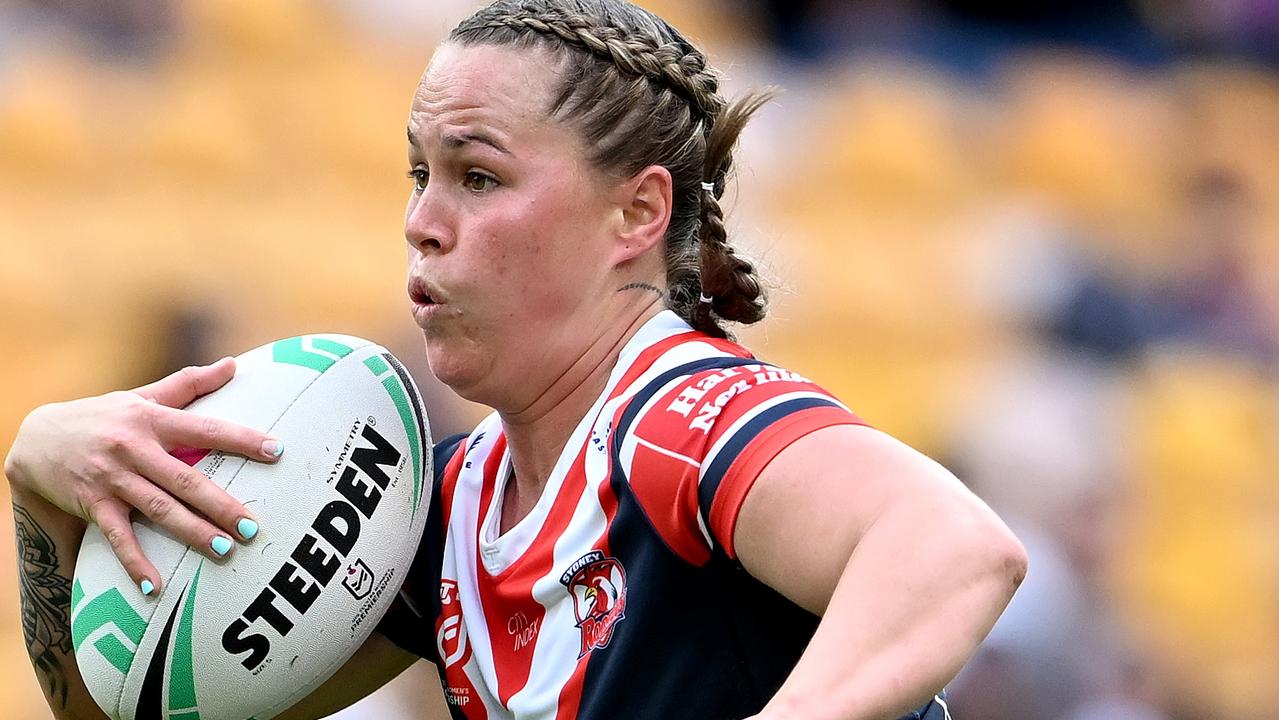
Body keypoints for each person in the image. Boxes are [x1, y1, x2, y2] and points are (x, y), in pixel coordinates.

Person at [4, 1, 1028, 718]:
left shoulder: (675, 417)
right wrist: (41, 488)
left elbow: (954, 549)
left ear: (636, 211)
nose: (421, 223)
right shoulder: (446, 508)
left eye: (478, 176)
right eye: (420, 174)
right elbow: (134, 713)